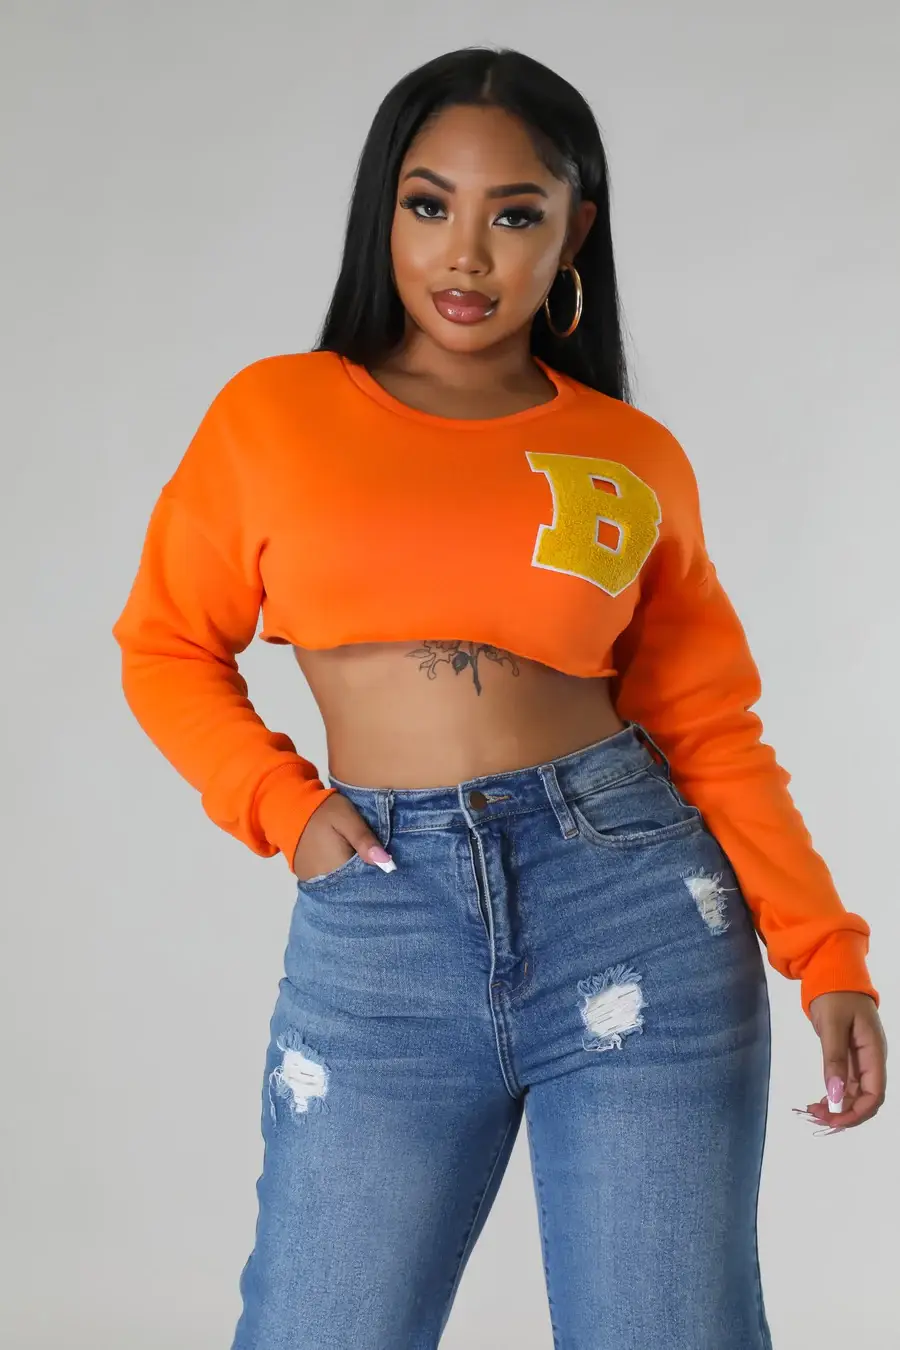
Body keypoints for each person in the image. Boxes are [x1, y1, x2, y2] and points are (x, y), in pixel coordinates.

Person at [112, 45, 886, 1350]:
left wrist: (826, 953)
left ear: (575, 233)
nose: (465, 254)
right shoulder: (275, 415)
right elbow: (165, 646)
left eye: (514, 214)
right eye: (430, 205)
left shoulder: (626, 455)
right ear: (384, 212)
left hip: (636, 906)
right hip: (383, 918)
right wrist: (283, 806)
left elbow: (709, 724)